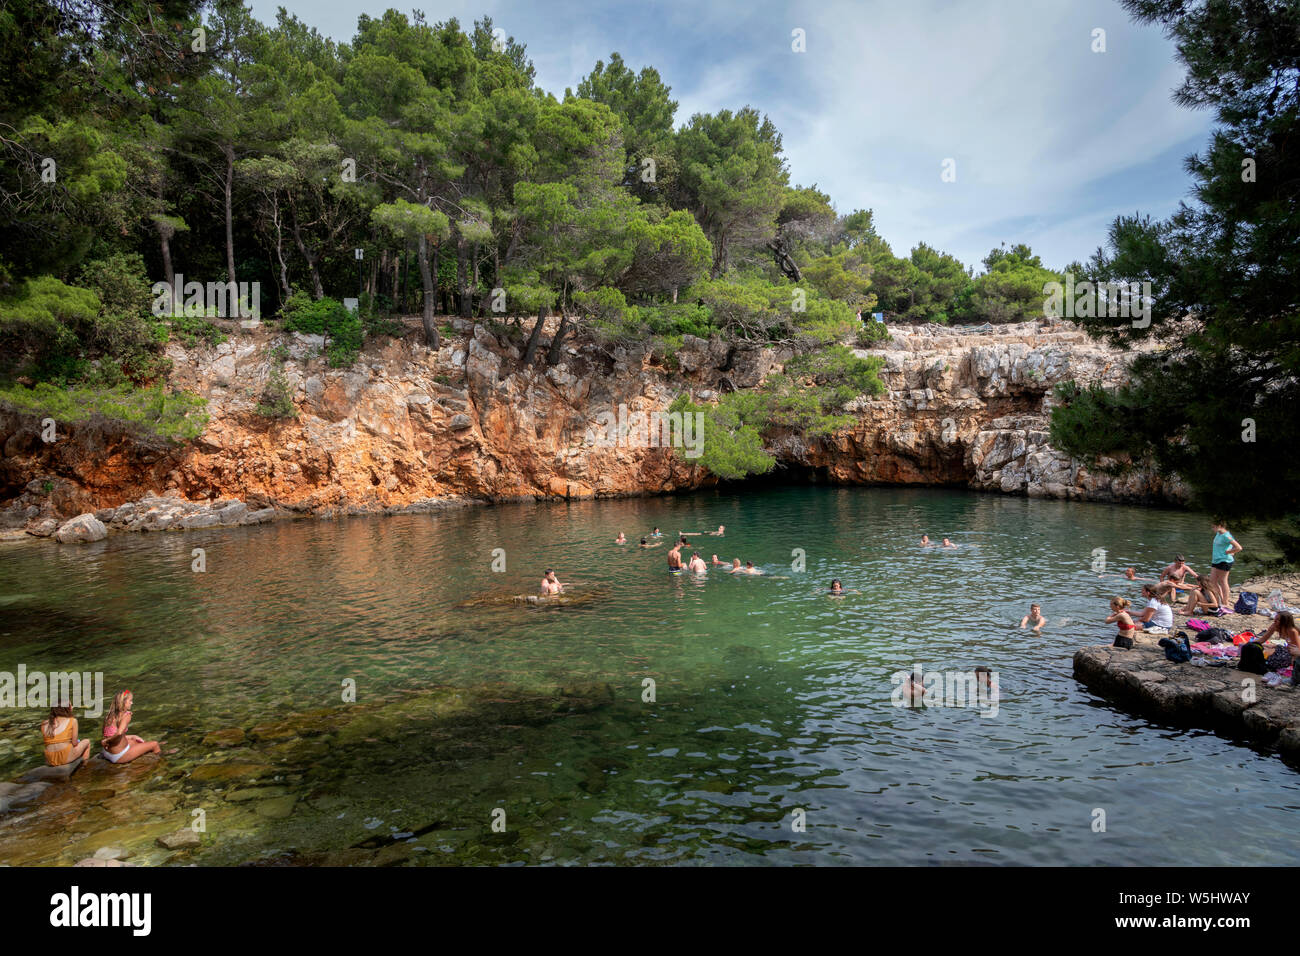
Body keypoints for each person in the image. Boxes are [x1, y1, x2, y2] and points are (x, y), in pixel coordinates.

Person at [100, 690, 160, 765]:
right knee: (155, 744)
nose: (132, 703)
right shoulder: (126, 715)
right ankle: (160, 762)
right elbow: (119, 733)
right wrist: (107, 741)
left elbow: (112, 734)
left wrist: (132, 736)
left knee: (136, 741)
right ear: (124, 702)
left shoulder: (109, 715)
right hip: (118, 756)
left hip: (106, 753)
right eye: (130, 700)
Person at [40, 701, 90, 767]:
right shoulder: (73, 721)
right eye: (70, 705)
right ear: (66, 709)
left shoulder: (44, 723)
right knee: (87, 741)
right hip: (65, 757)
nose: (72, 707)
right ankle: (84, 767)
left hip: (50, 759)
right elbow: (74, 743)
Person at [1209, 520, 1242, 610]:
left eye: (1214, 527)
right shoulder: (1219, 534)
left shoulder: (1226, 535)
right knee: (1212, 581)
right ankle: (1219, 599)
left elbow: (1238, 547)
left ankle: (1225, 602)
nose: (1212, 529)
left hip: (1224, 560)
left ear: (1220, 526)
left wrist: (1229, 552)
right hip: (1215, 560)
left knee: (1223, 581)